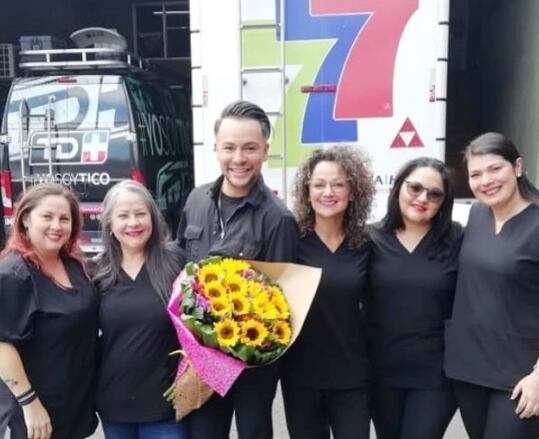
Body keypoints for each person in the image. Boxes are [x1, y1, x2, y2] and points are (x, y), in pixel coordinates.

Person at [177, 100, 298, 439]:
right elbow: (181, 267)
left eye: (250, 148)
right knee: (203, 434)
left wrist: (243, 345)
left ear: (265, 151)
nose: (239, 158)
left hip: (251, 365)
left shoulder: (278, 219)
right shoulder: (196, 200)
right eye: (229, 147)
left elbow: (283, 306)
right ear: (216, 148)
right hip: (201, 358)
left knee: (254, 432)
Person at [445, 132, 539, 439]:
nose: (486, 180)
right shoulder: (477, 215)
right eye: (476, 174)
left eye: (495, 169)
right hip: (470, 368)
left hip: (521, 375)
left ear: (517, 167)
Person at [281, 145, 374, 439]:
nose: (328, 192)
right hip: (301, 375)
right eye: (319, 185)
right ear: (307, 192)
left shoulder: (367, 243)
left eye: (338, 184)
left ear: (352, 191)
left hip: (353, 375)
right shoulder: (291, 240)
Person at [366, 157, 462, 439]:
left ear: (444, 202)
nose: (422, 198)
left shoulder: (458, 240)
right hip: (381, 373)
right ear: (398, 188)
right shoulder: (368, 239)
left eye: (434, 194)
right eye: (415, 188)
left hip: (436, 376)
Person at [0, 183, 99, 439]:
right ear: (25, 219)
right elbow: (2, 344)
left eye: (64, 219)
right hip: (38, 414)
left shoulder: (74, 265)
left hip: (75, 406)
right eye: (47, 216)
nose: (56, 226)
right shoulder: (13, 274)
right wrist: (29, 402)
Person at [91, 180, 187, 439]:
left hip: (167, 404)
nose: (133, 223)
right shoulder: (96, 271)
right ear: (109, 223)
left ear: (153, 217)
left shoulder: (175, 261)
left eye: (140, 214)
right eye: (123, 216)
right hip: (115, 404)